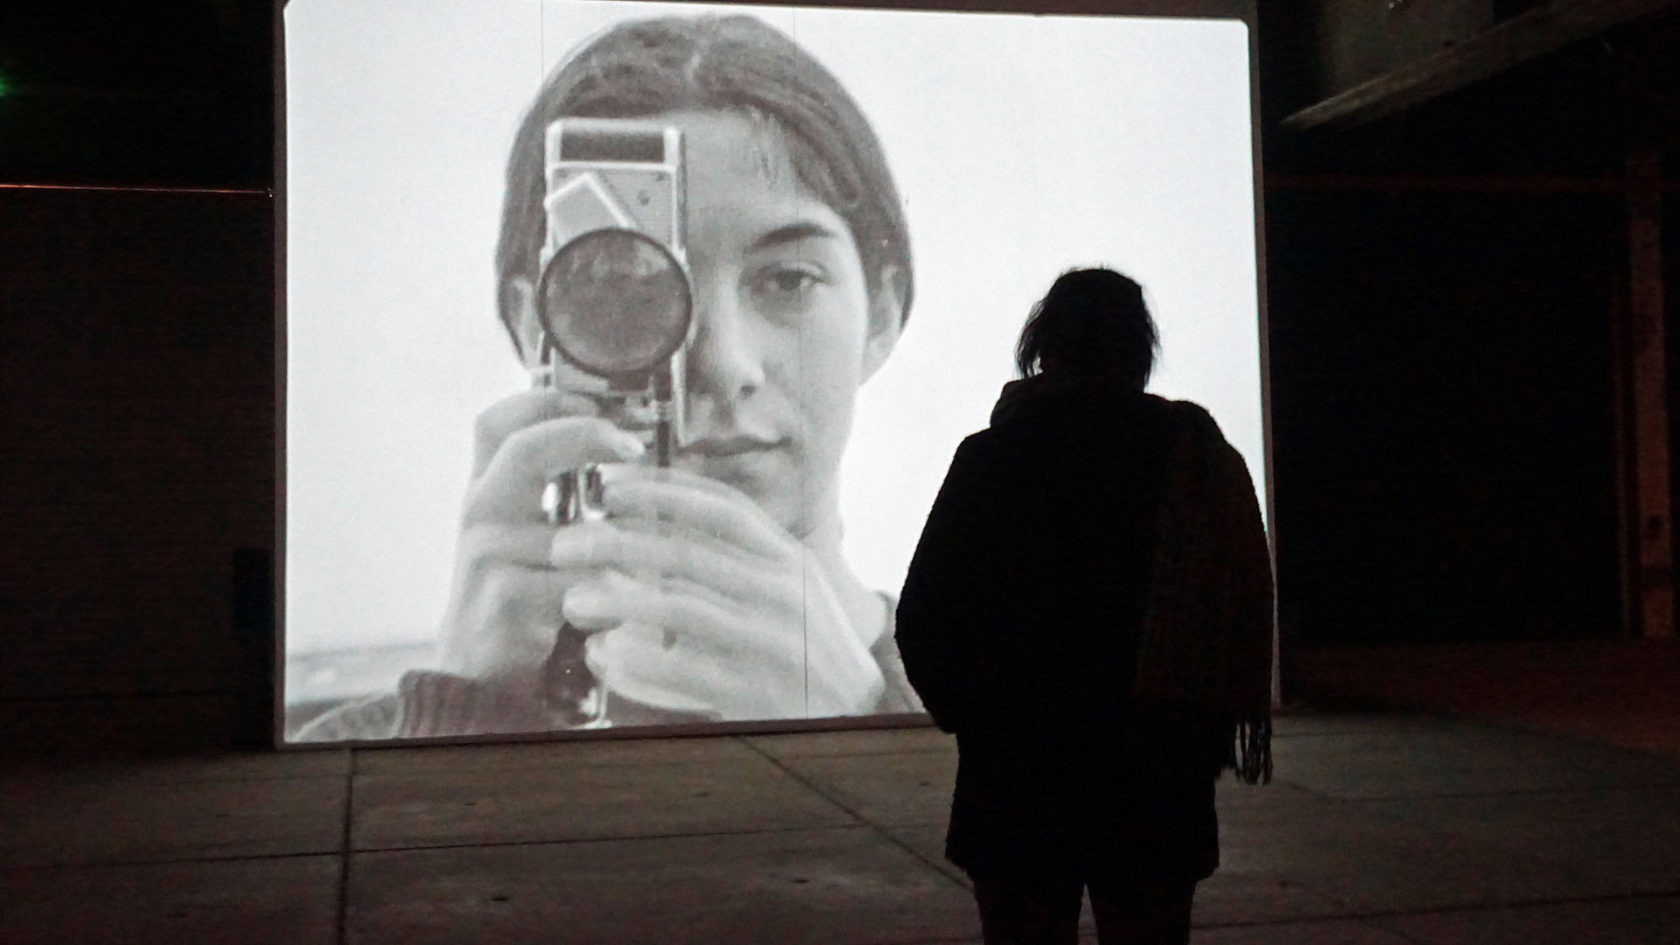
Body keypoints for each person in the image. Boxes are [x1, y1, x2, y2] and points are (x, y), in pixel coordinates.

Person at [298, 13, 921, 740]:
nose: (724, 364)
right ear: (538, 326)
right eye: (625, 284)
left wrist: (870, 728)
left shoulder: (1024, 710)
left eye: (788, 280)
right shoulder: (349, 757)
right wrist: (461, 724)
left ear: (881, 312)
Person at [895, 269, 1273, 945]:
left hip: (1021, 772)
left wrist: (979, 717)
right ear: (1140, 349)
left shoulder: (994, 457)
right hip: (1154, 773)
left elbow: (926, 614)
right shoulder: (1195, 456)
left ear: (1044, 347)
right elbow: (1236, 608)